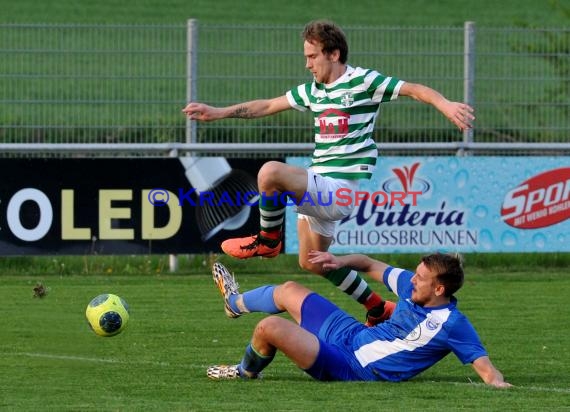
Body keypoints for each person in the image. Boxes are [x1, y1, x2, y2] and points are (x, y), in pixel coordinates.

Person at [182, 20, 475, 325]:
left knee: (270, 172)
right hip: (320, 187)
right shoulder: (314, 91)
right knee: (313, 263)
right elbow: (267, 105)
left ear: (333, 54)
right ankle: (376, 307)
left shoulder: (362, 82)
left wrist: (445, 104)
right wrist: (218, 113)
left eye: (312, 56)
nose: (307, 64)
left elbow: (413, 90)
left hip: (338, 191)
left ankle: (269, 240)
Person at [206, 251, 511, 388]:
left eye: (420, 277)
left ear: (439, 289)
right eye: (415, 274)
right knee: (288, 290)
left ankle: (245, 372)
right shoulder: (412, 287)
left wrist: (497, 383)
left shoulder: (452, 323)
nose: (412, 280)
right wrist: (339, 262)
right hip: (349, 334)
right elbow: (368, 263)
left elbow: (485, 368)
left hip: (351, 366)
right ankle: (234, 303)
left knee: (269, 328)